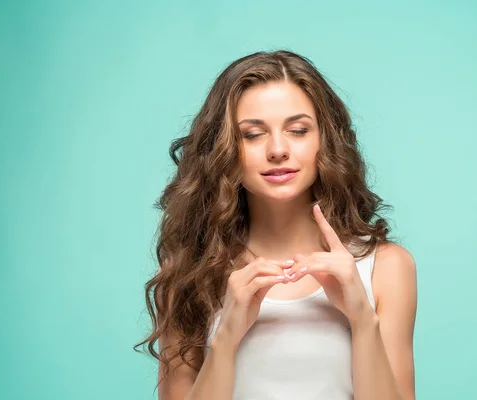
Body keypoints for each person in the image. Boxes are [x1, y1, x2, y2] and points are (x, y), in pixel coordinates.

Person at [135, 49, 417, 400]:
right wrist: (226, 337)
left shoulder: (387, 267)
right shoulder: (188, 275)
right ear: (222, 149)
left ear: (325, 140)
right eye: (253, 134)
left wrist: (362, 319)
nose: (278, 149)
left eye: (298, 130)